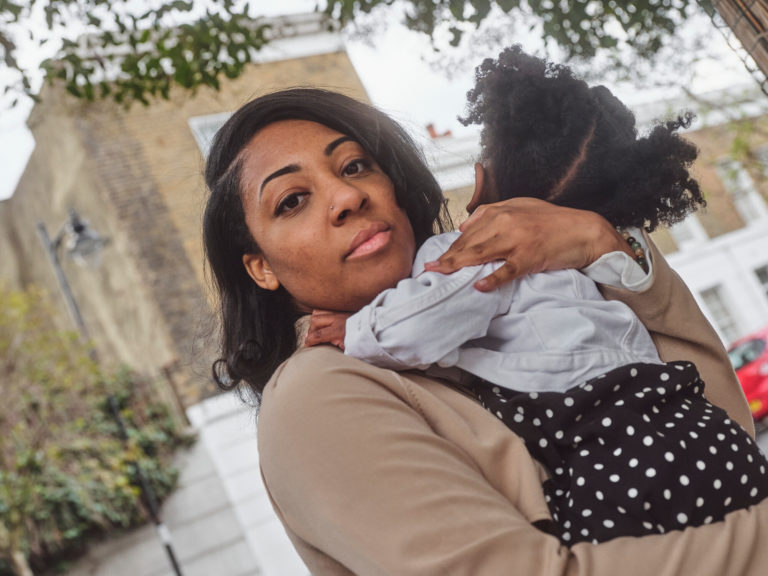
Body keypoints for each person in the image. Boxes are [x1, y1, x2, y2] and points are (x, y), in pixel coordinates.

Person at [203, 87, 768, 576]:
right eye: (293, 200)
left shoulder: (494, 279)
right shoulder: (316, 392)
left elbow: (721, 423)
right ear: (261, 267)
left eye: (354, 166)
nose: (349, 196)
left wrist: (601, 244)